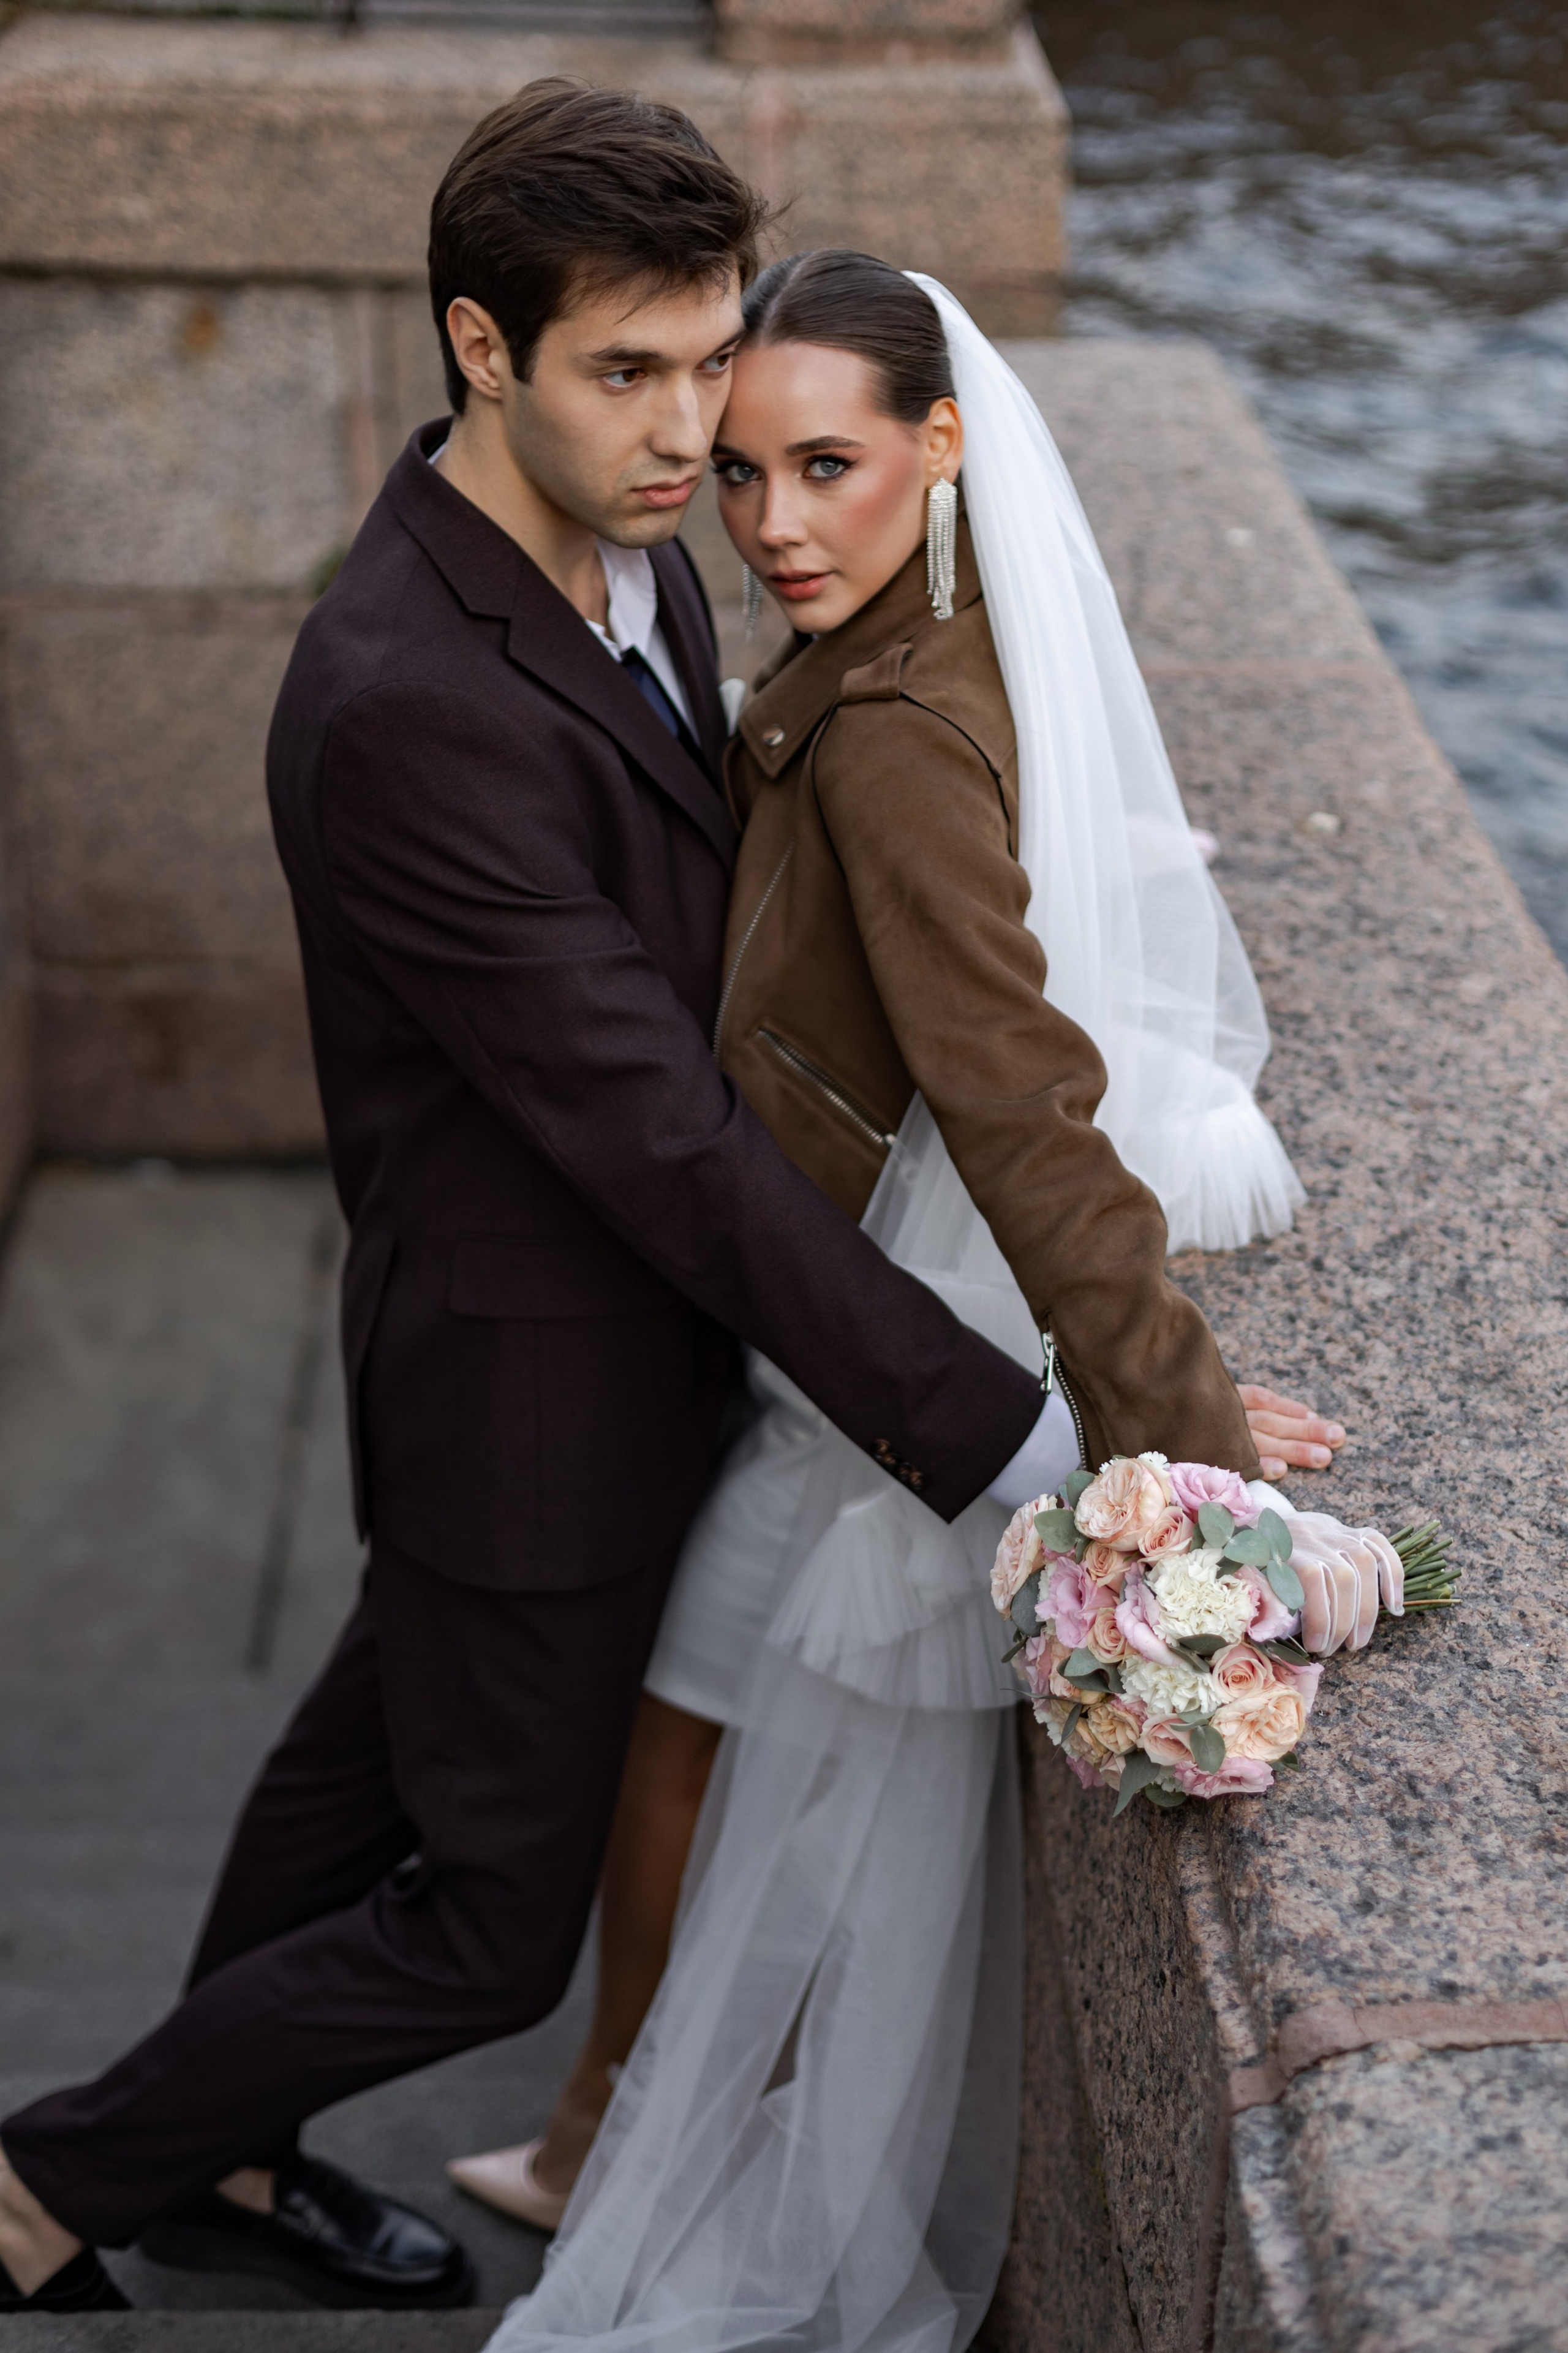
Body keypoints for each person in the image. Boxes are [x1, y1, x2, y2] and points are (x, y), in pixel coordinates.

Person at [0, 99, 1093, 2320]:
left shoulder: (625, 540)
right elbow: (657, 1131)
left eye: (714, 363)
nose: (699, 431)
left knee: (354, 1765)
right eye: (633, 372)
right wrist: (995, 1426)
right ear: (480, 348)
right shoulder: (408, 701)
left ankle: (208, 2167)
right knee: (488, 1920)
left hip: (553, 1347)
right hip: (538, 1381)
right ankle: (50, 2177)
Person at [447, 255, 1361, 2353]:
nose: (773, 524)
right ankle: (611, 2115)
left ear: (941, 450)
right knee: (700, 1705)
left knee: (712, 1712)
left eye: (830, 467)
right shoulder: (933, 648)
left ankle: (637, 2137)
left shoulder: (893, 737)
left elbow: (1026, 1108)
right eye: (749, 469)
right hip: (856, 1307)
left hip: (871, 1335)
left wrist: (1191, 1431)